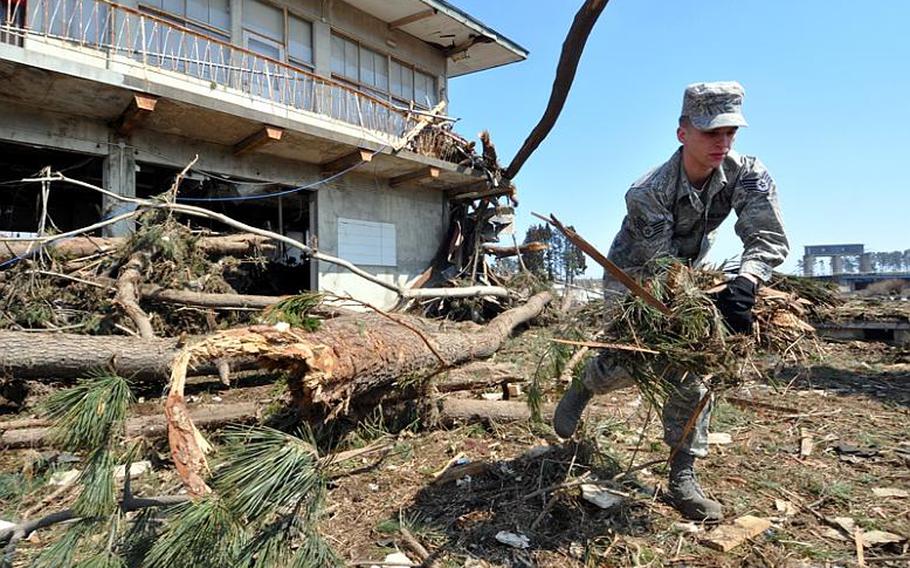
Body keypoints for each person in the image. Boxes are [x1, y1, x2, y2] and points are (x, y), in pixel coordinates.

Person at [553, 81, 789, 522]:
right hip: (634, 279)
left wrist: (746, 282)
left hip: (691, 273)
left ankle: (682, 473)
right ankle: (586, 383)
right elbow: (658, 269)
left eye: (730, 132)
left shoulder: (748, 172)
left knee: (691, 373)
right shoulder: (649, 191)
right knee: (630, 360)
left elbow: (767, 235)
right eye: (710, 133)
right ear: (683, 133)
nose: (722, 143)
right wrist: (697, 306)